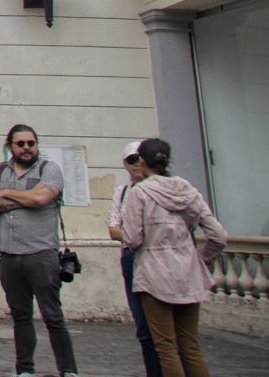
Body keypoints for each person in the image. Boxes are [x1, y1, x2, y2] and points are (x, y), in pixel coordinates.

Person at [122, 137, 227, 377]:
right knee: (191, 346)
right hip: (188, 272)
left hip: (153, 273)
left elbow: (132, 239)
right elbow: (218, 236)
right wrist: (202, 259)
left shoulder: (140, 192)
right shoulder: (188, 190)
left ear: (142, 161)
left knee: (166, 348)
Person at [0, 125, 78, 377]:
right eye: (20, 144)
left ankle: (68, 370)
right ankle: (25, 370)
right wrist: (26, 196)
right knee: (20, 316)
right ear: (10, 147)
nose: (26, 148)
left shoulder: (50, 169)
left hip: (41, 254)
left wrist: (7, 194)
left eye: (31, 143)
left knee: (53, 316)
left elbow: (41, 200)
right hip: (9, 256)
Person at [107, 140, 161, 377]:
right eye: (131, 160)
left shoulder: (162, 189)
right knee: (143, 326)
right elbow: (113, 229)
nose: (136, 164)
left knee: (169, 327)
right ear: (124, 164)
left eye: (140, 159)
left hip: (160, 259)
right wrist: (138, 235)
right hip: (132, 259)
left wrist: (131, 233)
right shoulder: (123, 192)